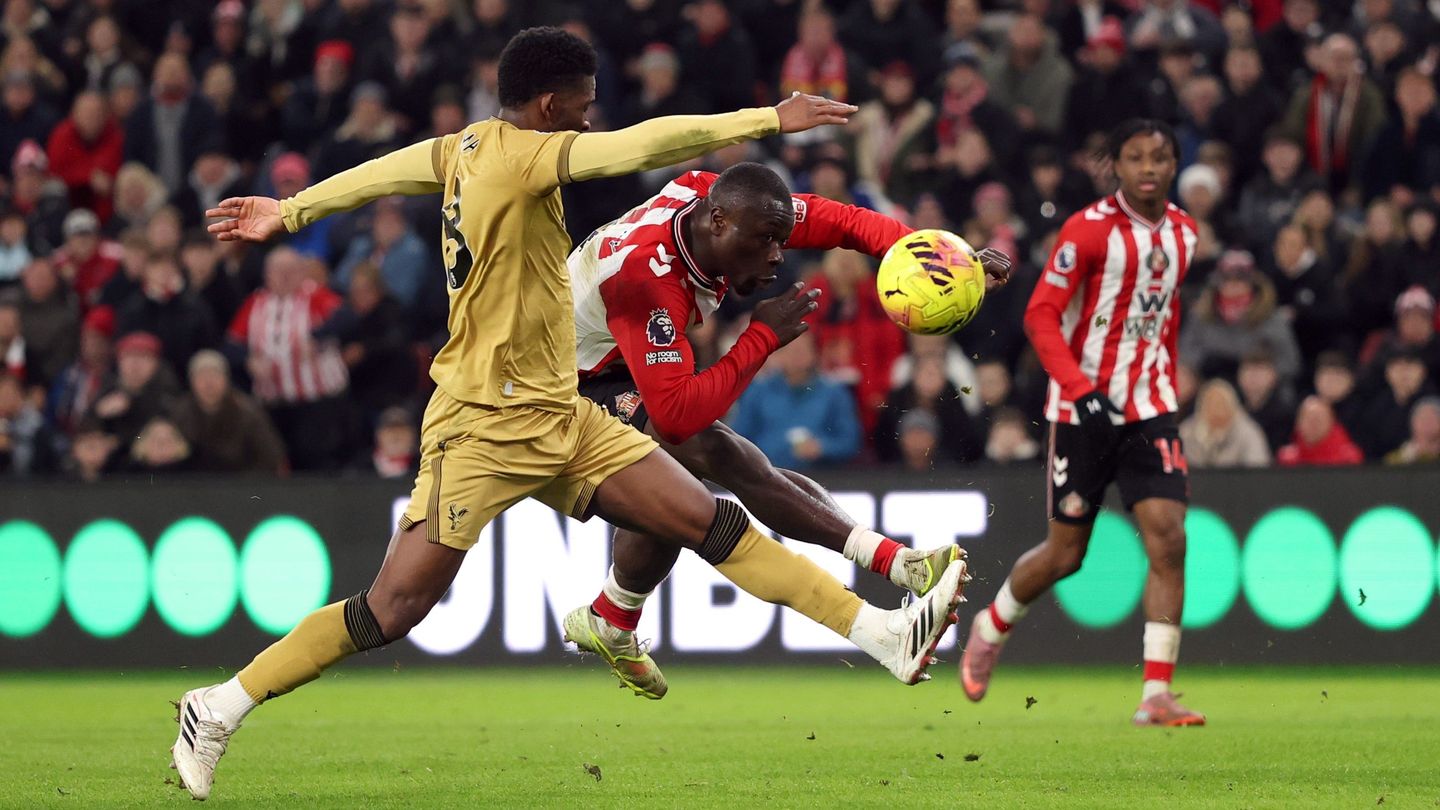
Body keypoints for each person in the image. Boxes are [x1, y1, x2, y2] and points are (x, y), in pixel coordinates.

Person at [171, 28, 964, 801]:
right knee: (393, 609)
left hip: (560, 409)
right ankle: (219, 705)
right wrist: (763, 120)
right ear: (548, 106)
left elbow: (387, 171)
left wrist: (296, 209)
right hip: (481, 425)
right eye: (584, 106)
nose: (591, 119)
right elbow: (643, 146)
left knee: (711, 521)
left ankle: (884, 635)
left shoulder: (465, 147)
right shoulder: (530, 155)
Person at [562, 164, 1013, 694]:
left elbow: (837, 219)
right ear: (719, 224)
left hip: (608, 361)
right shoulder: (647, 281)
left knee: (677, 500)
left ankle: (613, 614)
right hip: (557, 389)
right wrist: (759, 340)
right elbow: (677, 419)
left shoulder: (718, 202)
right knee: (715, 456)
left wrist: (942, 260)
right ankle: (894, 575)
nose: (778, 254)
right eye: (765, 242)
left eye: (780, 239)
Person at [961, 120, 1207, 727]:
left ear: (1174, 164)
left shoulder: (1185, 233)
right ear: (1115, 167)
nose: (1148, 167)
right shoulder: (1086, 231)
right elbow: (1041, 316)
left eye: (1159, 157)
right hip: (1080, 410)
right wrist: (1078, 388)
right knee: (1066, 555)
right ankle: (991, 627)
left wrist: (1164, 383)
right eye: (1134, 157)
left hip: (1149, 408)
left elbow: (1162, 317)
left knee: (1170, 537)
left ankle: (1155, 695)